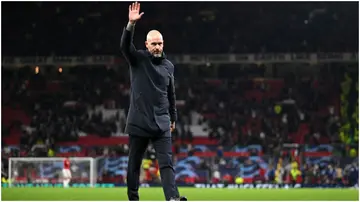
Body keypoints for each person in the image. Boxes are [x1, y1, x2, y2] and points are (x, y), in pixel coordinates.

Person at [120, 2, 186, 201]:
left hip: (162, 122)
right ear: (147, 45)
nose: (157, 47)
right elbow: (125, 47)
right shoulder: (138, 60)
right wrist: (131, 24)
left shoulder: (168, 66)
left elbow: (171, 94)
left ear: (163, 44)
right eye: (153, 43)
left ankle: (172, 198)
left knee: (166, 163)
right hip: (139, 122)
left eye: (160, 43)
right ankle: (133, 198)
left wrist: (173, 117)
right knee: (134, 165)